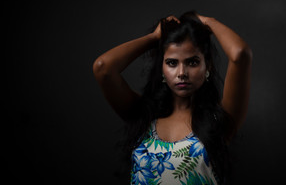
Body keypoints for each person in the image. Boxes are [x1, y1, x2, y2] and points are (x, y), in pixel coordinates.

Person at [92, 11, 252, 185]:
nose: (182, 73)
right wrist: (154, 38)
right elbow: (103, 68)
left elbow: (240, 54)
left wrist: (207, 22)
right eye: (172, 63)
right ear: (162, 69)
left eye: (192, 62)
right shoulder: (144, 115)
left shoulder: (218, 121)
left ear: (208, 67)